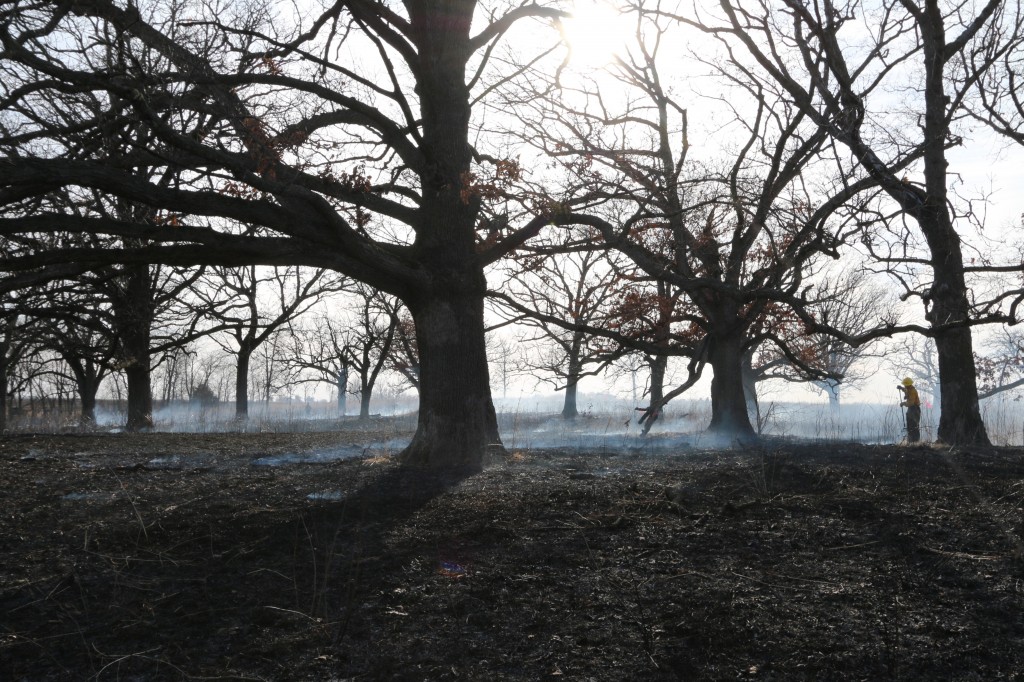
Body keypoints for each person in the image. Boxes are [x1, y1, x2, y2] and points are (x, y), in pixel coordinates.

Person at [897, 377, 921, 443]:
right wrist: (901, 388)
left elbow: (910, 403)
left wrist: (903, 403)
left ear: (909, 385)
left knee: (914, 426)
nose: (905, 386)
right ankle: (910, 441)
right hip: (911, 409)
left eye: (905, 385)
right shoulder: (909, 389)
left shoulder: (912, 391)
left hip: (914, 409)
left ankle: (915, 442)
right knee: (909, 426)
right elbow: (906, 390)